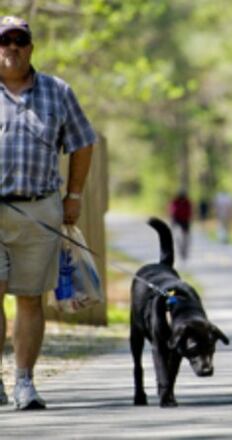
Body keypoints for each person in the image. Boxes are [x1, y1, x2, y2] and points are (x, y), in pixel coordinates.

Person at [0, 16, 95, 409]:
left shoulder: (57, 92)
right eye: (5, 41)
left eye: (20, 40)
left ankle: (24, 382)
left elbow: (83, 142)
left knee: (29, 299)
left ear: (32, 47)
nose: (13, 48)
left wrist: (73, 195)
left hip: (39, 209)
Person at [168, 190, 192, 260]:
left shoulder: (187, 202)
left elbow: (190, 212)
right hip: (177, 222)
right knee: (178, 237)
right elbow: (172, 211)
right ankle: (181, 250)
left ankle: (184, 251)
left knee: (185, 238)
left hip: (185, 222)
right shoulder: (175, 202)